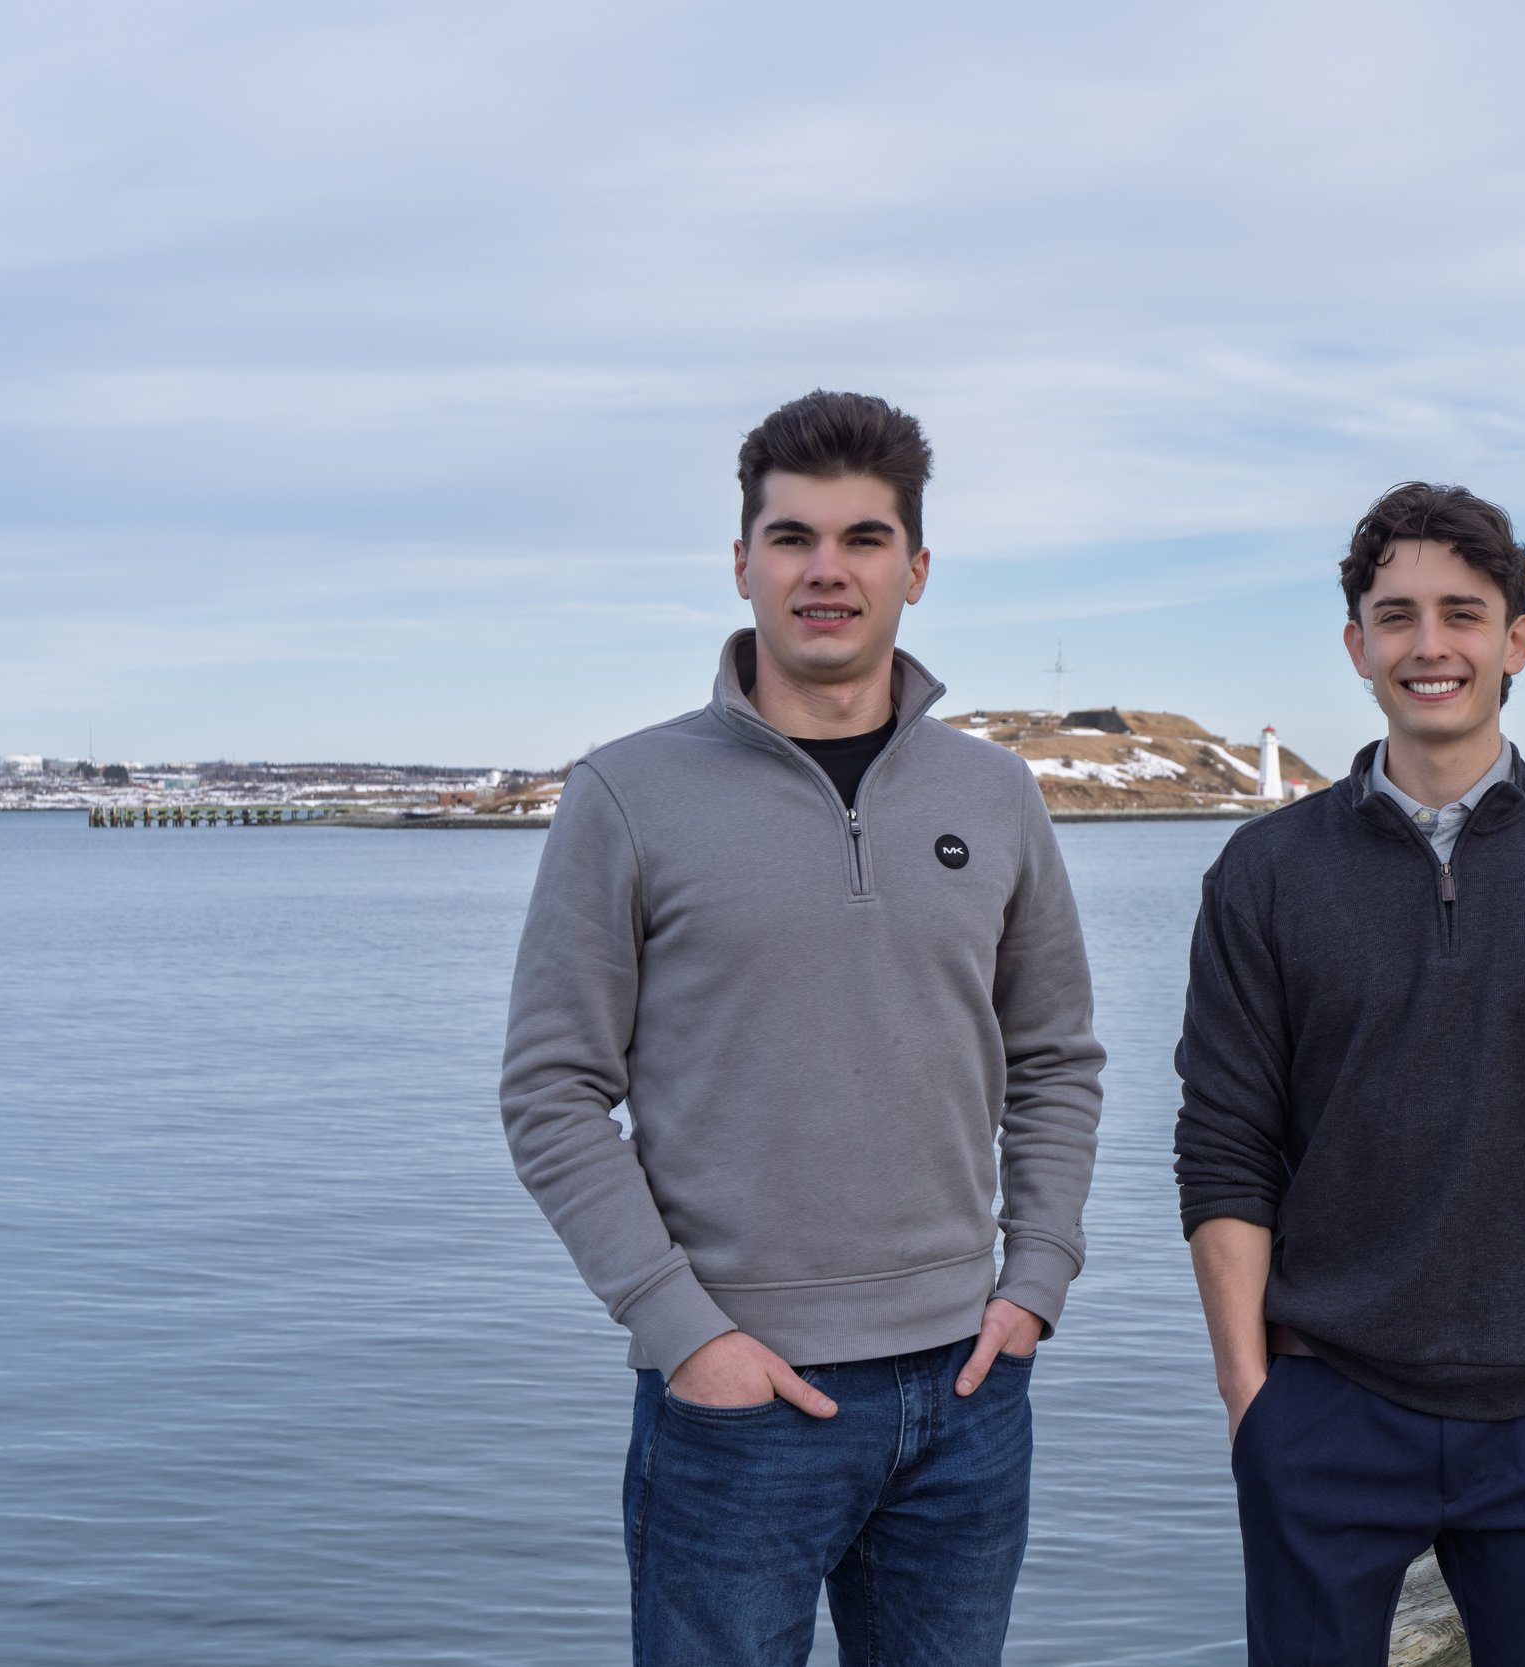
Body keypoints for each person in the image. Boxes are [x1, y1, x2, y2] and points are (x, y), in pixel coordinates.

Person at [501, 390, 1105, 1667]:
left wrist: (1034, 1283)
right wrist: (686, 1333)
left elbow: (1053, 1057)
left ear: (916, 568)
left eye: (864, 538)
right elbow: (553, 1090)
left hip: (966, 1388)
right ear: (742, 562)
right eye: (792, 537)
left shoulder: (993, 792)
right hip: (736, 1403)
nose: (826, 570)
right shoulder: (626, 793)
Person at [1174, 481, 1525, 1666]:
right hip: (1322, 1405)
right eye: (1398, 614)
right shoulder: (1264, 872)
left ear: (1515, 640)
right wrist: (1250, 1402)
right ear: (1357, 643)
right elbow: (1225, 1148)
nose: (1430, 645)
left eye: (1462, 613)